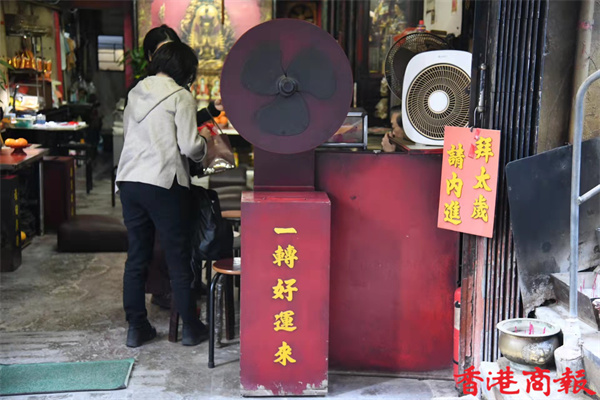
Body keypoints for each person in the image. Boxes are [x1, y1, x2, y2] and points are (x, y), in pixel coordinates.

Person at [116, 41, 211, 348]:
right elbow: (189, 146)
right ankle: (191, 328)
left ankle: (136, 328)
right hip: (163, 181)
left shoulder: (135, 92)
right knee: (177, 257)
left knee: (137, 257)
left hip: (130, 180)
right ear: (185, 69)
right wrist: (205, 142)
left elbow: (130, 135)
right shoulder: (181, 96)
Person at [140, 25, 223, 309]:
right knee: (160, 238)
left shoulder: (178, 89)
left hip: (176, 169)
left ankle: (188, 283)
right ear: (150, 56)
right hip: (155, 172)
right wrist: (199, 146)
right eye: (162, 51)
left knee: (186, 227)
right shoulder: (144, 89)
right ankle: (164, 291)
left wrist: (211, 110)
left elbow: (182, 123)